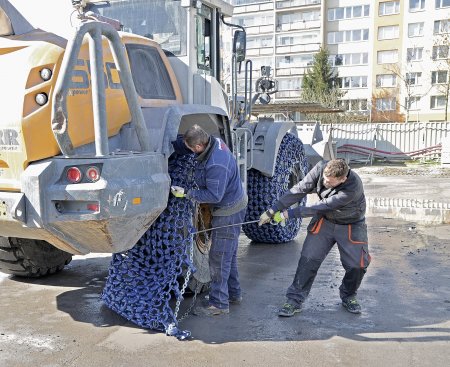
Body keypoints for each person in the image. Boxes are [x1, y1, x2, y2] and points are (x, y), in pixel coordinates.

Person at [259, 159, 371, 316]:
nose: (325, 183)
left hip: (350, 224)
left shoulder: (352, 188)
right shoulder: (321, 168)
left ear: (342, 179)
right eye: (324, 179)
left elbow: (319, 207)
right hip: (325, 221)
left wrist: (286, 214)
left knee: (357, 266)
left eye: (330, 182)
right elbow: (299, 189)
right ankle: (294, 300)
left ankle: (349, 295)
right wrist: (273, 210)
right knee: (308, 259)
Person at [171, 125, 247, 316]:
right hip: (233, 202)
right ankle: (233, 293)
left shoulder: (216, 165)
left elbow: (214, 196)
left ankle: (219, 304)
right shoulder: (214, 142)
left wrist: (186, 193)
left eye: (190, 148)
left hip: (228, 210)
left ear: (198, 147)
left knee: (218, 257)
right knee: (227, 254)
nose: (189, 151)